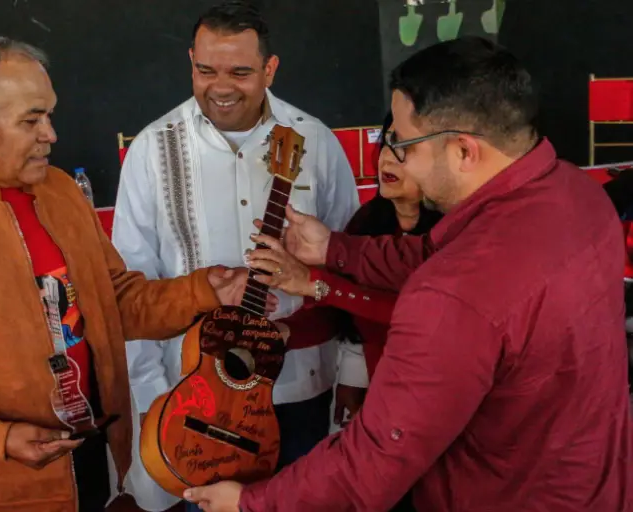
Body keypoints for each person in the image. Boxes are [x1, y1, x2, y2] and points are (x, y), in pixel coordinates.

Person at [184, 36, 633, 511]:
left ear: (464, 151)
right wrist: (335, 249)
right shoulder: (579, 196)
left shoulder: (452, 297)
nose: (395, 154)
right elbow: (433, 254)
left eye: (405, 142)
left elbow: (372, 465)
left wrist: (252, 504)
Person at [0, 37, 270, 512]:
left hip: (92, 463)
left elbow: (113, 303)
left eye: (49, 115)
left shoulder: (60, 192)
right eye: (31, 120)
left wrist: (203, 291)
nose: (51, 134)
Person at [110, 2, 359, 510]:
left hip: (299, 389)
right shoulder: (152, 150)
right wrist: (156, 399)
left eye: (240, 72)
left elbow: (350, 259)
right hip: (190, 401)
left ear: (270, 69)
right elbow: (132, 290)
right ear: (190, 62)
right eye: (206, 70)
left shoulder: (315, 141)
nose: (220, 87)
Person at [274, 111, 441, 427]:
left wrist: (316, 283)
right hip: (380, 411)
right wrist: (281, 333)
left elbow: (411, 315)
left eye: (406, 146)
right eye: (388, 142)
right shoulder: (366, 222)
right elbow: (333, 314)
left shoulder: (454, 233)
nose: (388, 159)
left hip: (436, 411)